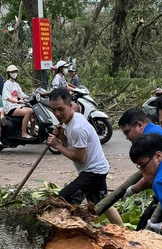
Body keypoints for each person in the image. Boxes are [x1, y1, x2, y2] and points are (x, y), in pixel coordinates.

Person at [48, 87, 123, 225]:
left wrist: (57, 146)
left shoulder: (77, 128)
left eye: (60, 109)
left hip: (92, 172)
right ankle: (123, 230)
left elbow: (79, 158)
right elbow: (73, 146)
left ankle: (76, 232)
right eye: (53, 110)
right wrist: (62, 137)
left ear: (70, 105)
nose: (57, 113)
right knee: (103, 203)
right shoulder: (73, 119)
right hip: (98, 169)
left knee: (64, 199)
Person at [2, 65, 34, 138]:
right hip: (9, 108)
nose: (14, 73)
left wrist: (31, 97)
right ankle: (24, 133)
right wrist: (17, 101)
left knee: (33, 111)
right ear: (9, 73)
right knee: (27, 112)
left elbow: (22, 95)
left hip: (16, 106)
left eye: (15, 71)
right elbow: (8, 98)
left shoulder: (16, 84)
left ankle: (32, 131)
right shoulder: (6, 84)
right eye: (12, 72)